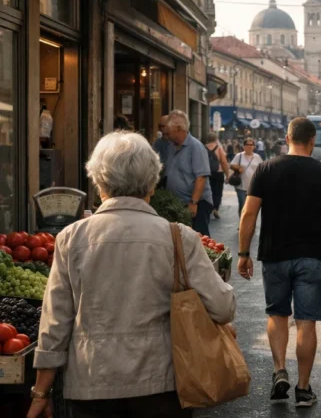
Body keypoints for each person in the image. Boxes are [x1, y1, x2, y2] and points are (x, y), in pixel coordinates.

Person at [27, 132, 235, 418]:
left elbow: (55, 323)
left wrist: (41, 391)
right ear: (151, 183)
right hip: (161, 385)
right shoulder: (178, 237)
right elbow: (223, 308)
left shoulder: (70, 239)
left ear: (99, 183)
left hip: (91, 385)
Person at [236, 117, 321, 408]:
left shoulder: (265, 169)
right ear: (312, 141)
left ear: (287, 138)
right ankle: (303, 389)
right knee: (306, 323)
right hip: (310, 256)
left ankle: (279, 370)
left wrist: (243, 253)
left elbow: (248, 214)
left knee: (277, 315)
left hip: (274, 254)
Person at [164, 110, 214, 236]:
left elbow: (201, 177)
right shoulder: (171, 146)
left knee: (199, 239)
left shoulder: (195, 147)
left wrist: (194, 202)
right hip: (180, 203)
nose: (166, 133)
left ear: (179, 129)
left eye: (168, 130)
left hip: (197, 204)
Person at [230, 137, 264, 218]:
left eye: (251, 145)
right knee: (242, 205)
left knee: (252, 207)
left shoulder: (257, 157)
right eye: (247, 145)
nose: (249, 146)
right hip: (241, 186)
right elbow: (231, 165)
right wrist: (238, 168)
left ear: (254, 146)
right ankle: (241, 223)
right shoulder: (239, 156)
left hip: (253, 186)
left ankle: (249, 223)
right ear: (244, 146)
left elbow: (262, 168)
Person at [205, 132, 231, 219]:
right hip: (218, 173)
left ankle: (208, 208)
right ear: (216, 138)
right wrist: (227, 175)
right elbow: (223, 162)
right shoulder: (219, 148)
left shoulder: (202, 147)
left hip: (206, 173)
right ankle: (215, 208)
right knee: (218, 192)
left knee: (208, 191)